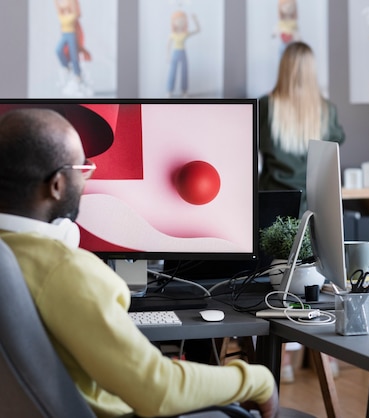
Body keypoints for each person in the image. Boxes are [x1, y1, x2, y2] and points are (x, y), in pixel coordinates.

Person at [0, 107, 279, 418]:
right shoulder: (67, 270)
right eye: (84, 168)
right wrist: (257, 379)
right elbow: (158, 390)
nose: (88, 176)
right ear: (56, 185)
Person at [258, 41, 345, 214]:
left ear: (284, 69)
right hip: (312, 204)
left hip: (272, 199)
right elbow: (337, 140)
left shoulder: (267, 106)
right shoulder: (327, 110)